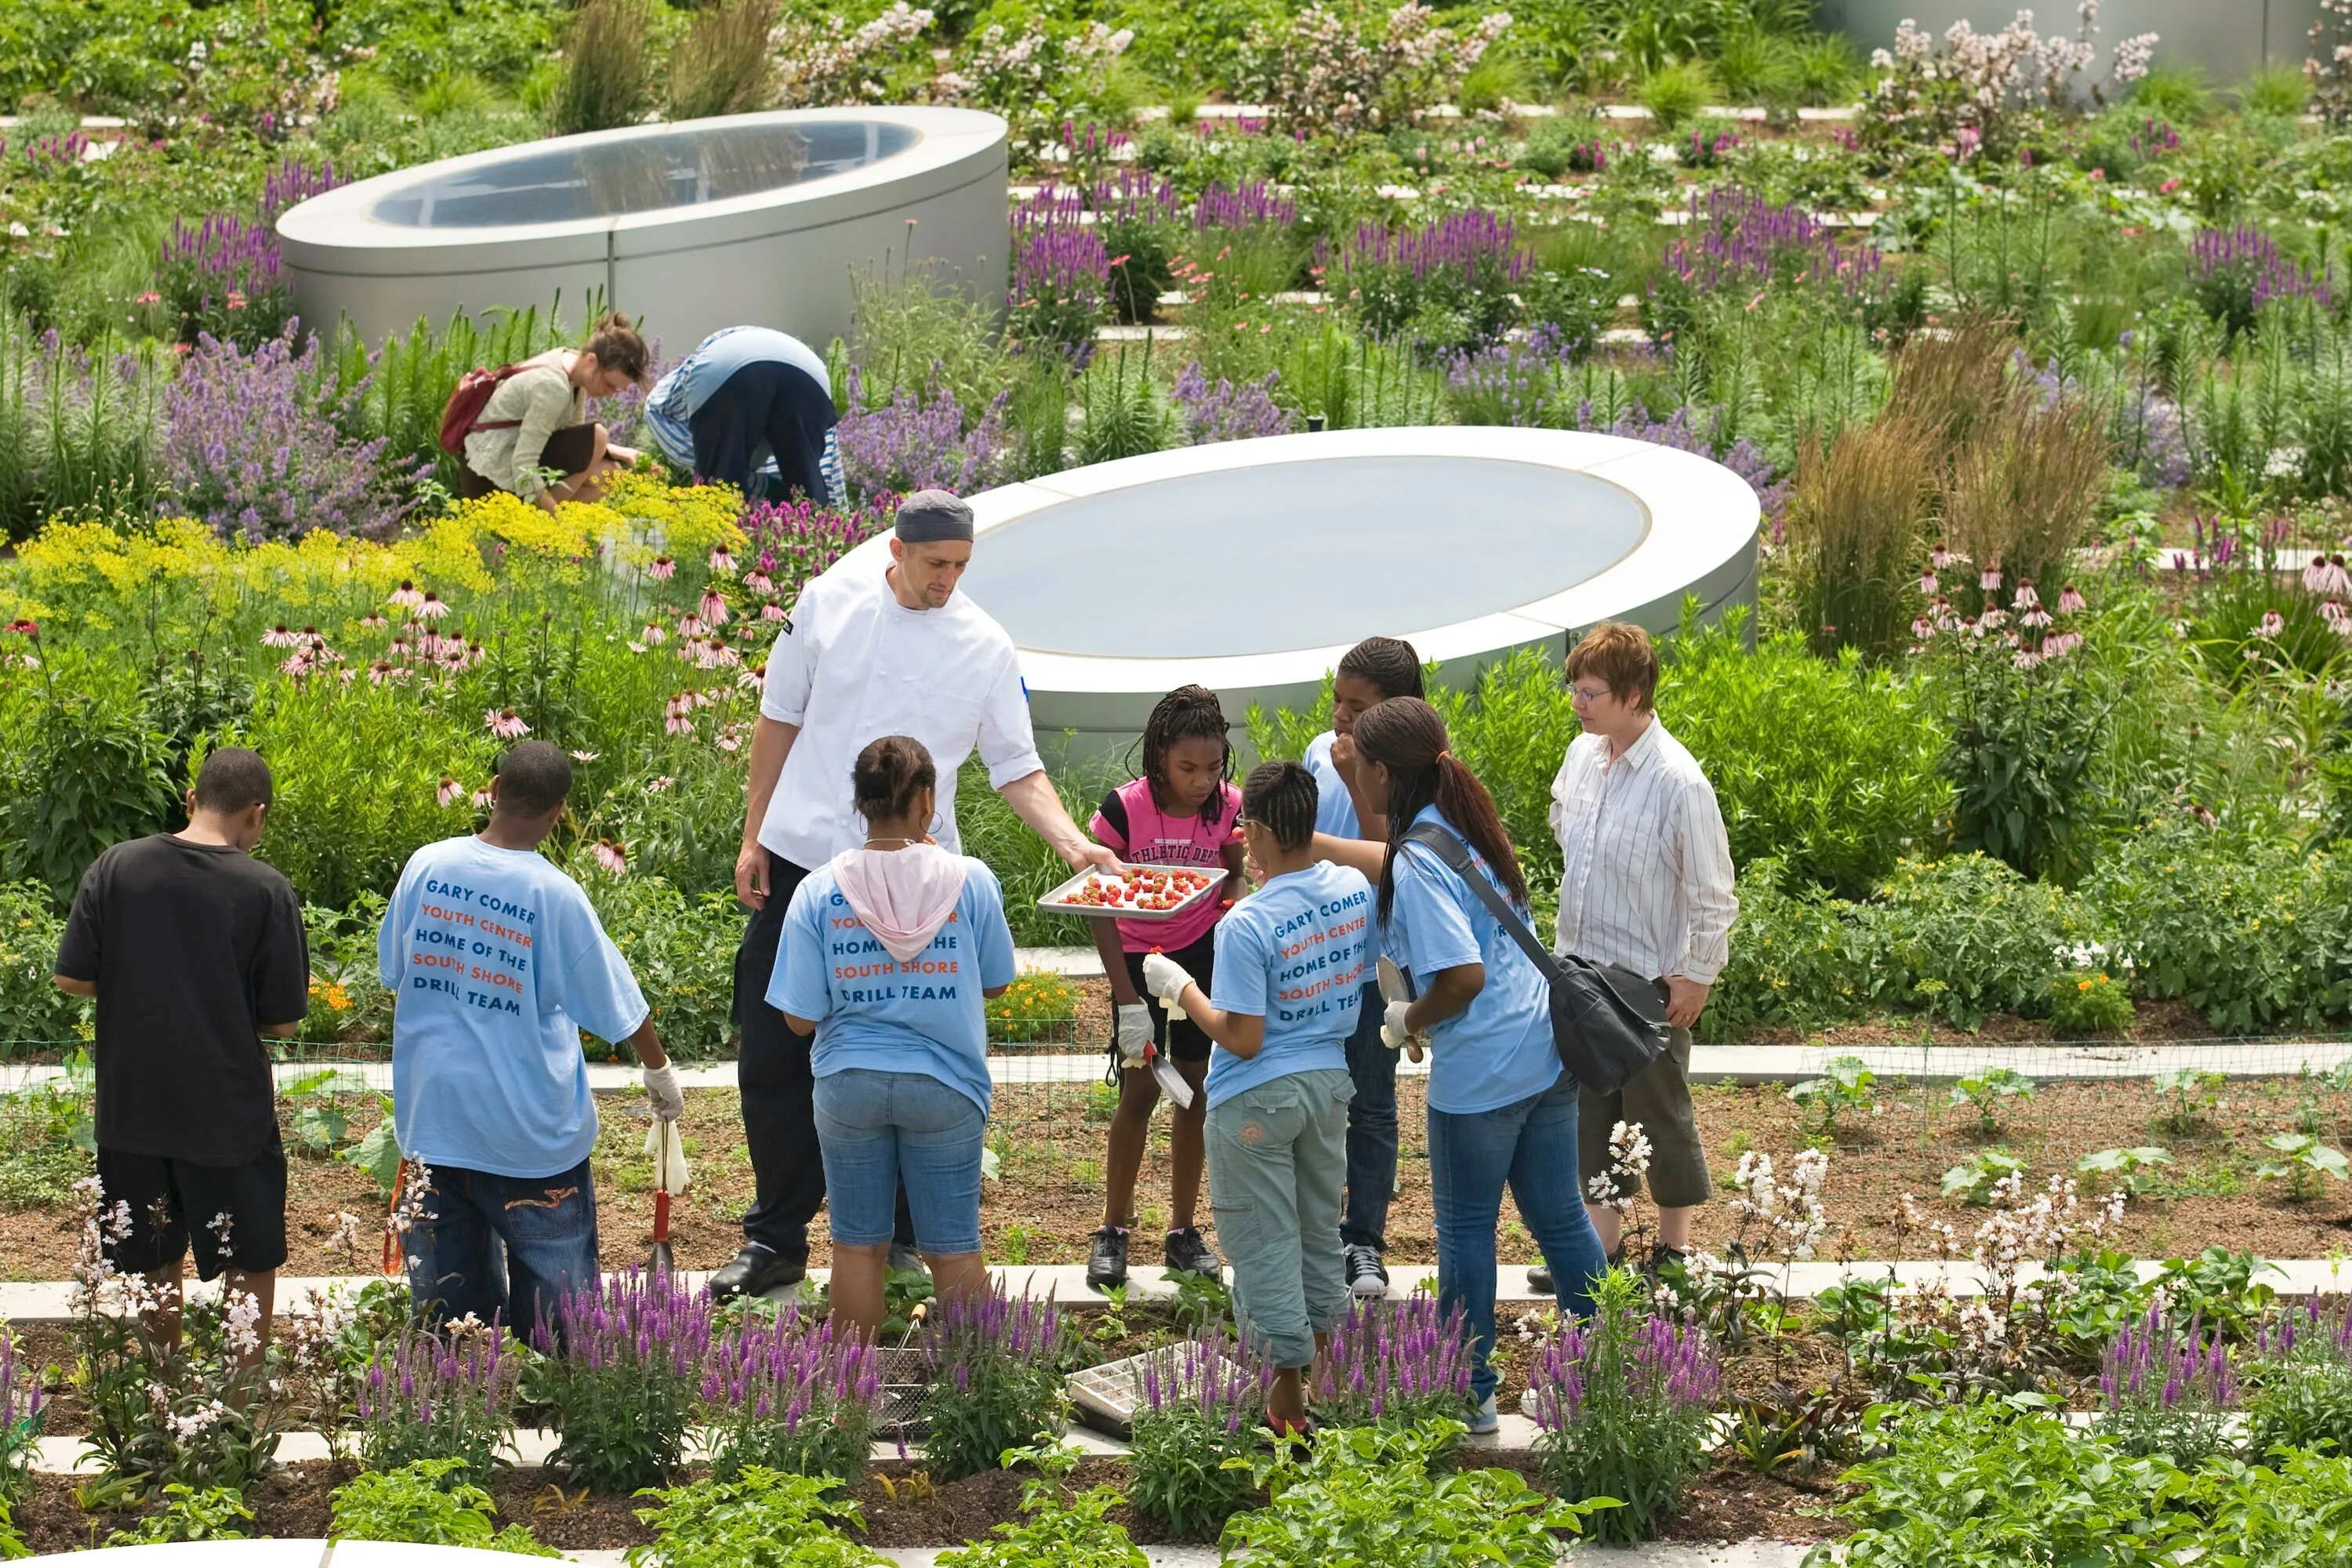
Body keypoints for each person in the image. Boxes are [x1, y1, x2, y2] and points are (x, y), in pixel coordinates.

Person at [719, 488, 1122, 1301]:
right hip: (807, 862)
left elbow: (1016, 764)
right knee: (772, 1049)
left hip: (923, 876)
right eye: (936, 564)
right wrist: (754, 832)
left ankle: (900, 1237)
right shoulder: (829, 598)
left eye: (962, 567)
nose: (948, 581)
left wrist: (1072, 843)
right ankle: (777, 1236)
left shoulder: (983, 643)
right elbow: (778, 716)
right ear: (895, 552)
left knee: (914, 1048)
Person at [1313, 696, 1606, 1435]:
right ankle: (1601, 1375)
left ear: (1384, 773)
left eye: (1362, 768)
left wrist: (1408, 1020)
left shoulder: (1415, 860)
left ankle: (1470, 1393)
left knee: (1468, 1233)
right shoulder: (1464, 825)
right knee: (1563, 1221)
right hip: (1544, 1050)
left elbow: (1463, 977)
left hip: (1482, 1074)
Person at [378, 742, 681, 1339]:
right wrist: (659, 1071)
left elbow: (396, 969)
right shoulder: (554, 895)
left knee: (455, 1324)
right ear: (559, 812)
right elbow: (619, 1006)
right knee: (561, 1327)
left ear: (492, 789)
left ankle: (465, 1412)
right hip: (530, 1142)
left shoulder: (427, 867)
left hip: (436, 1127)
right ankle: (555, 1405)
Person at [53, 747, 307, 1376]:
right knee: (249, 1261)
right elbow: (282, 1021)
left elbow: (72, 980)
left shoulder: (116, 868)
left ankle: (165, 1398)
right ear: (257, 814)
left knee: (153, 1257)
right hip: (228, 1113)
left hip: (133, 1105)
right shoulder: (264, 889)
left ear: (192, 802)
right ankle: (238, 1411)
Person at [1142, 761, 1369, 1437]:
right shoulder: (1352, 889)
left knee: (1266, 1245)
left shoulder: (1247, 925)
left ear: (1262, 831)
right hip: (1328, 1089)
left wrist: (1179, 986)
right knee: (1317, 1235)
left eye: (1244, 825)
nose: (1238, 834)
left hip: (1257, 1104)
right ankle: (1334, 1390)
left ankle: (1287, 1410)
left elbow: (1242, 1038)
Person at [772, 736, 1017, 1341]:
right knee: (953, 1250)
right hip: (945, 1087)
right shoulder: (971, 881)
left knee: (858, 1248)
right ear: (927, 800)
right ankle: (978, 1391)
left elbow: (798, 1021)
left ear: (861, 803)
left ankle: (858, 1398)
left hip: (847, 1087)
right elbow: (996, 985)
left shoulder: (819, 891)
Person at [1526, 621, 1737, 1294]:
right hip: (1584, 976)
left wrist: (1698, 975)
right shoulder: (1581, 757)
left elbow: (1713, 892)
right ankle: (1596, 1256)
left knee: (1658, 1114)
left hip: (1649, 984)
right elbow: (1564, 821)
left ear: (1636, 693)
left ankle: (1674, 1255)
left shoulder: (1680, 782)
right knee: (1591, 1116)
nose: (1577, 703)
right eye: (1575, 689)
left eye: (1591, 693)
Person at [1086, 685, 1247, 1290]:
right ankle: (1113, 1228)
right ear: (1157, 758)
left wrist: (1232, 911)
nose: (1202, 780)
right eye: (1187, 768)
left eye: (1212, 767)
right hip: (1136, 957)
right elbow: (1099, 903)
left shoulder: (1227, 806)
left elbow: (1233, 875)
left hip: (1200, 956)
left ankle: (1182, 1230)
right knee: (1140, 1093)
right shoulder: (1125, 810)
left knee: (1195, 1094)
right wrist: (1126, 996)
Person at [1300, 636, 1424, 1299]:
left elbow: (1392, 854)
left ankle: (1365, 1239)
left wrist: (1355, 774)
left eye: (1359, 705)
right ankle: (1315, 1232)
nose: (1342, 717)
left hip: (1374, 962)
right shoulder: (1322, 750)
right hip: (1317, 955)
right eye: (1338, 701)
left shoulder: (1416, 770)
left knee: (1371, 1104)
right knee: (1313, 1097)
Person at [458, 313, 650, 510]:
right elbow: (523, 465)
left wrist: (625, 453)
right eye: (609, 384)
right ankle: (543, 528)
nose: (609, 394)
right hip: (488, 478)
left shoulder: (573, 365)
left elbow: (574, 442)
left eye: (616, 390)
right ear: (592, 360)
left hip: (505, 464)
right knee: (598, 436)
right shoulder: (553, 386)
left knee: (609, 474)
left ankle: (541, 525)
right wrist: (559, 526)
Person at [641, 325, 846, 506]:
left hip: (725, 366)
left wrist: (712, 467)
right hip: (808, 370)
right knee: (809, 492)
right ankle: (823, 544)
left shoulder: (668, 394)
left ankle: (727, 548)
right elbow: (825, 466)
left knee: (723, 493)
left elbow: (654, 408)